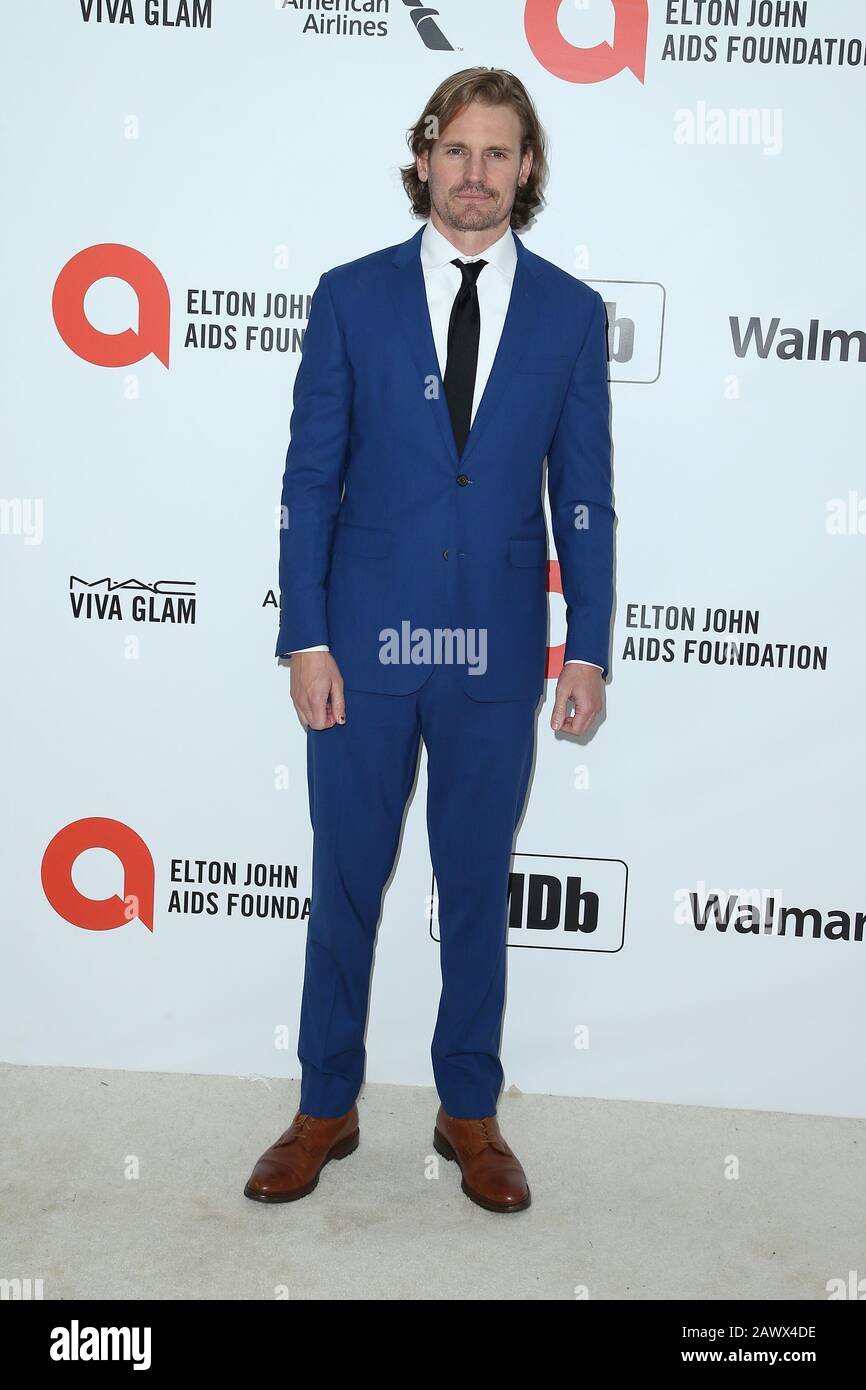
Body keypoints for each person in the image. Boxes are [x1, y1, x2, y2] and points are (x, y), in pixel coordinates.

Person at [245, 67, 614, 1213]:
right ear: (422, 160)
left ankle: (468, 1112)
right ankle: (324, 1105)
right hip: (360, 646)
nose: (474, 174)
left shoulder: (565, 313)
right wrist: (304, 634)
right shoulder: (348, 297)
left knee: (471, 881)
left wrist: (587, 647)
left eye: (498, 154)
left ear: (526, 170)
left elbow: (585, 495)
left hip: (496, 655)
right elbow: (309, 480)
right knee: (344, 879)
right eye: (456, 151)